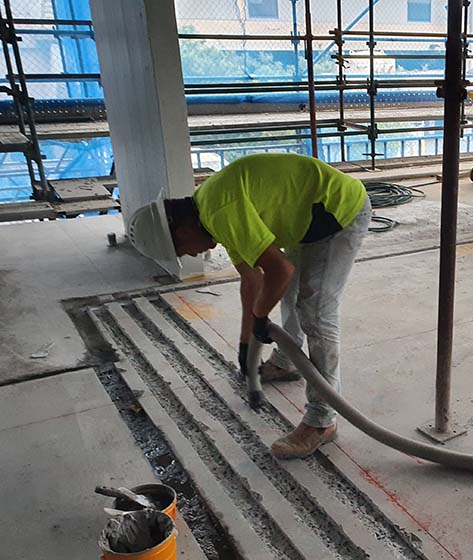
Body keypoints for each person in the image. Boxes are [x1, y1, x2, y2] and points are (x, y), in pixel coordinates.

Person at [143, 152, 370, 459]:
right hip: (308, 220)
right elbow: (252, 281)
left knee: (316, 312)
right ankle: (287, 363)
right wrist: (246, 342)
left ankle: (321, 422)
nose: (189, 255)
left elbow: (280, 271)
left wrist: (261, 316)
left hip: (339, 212)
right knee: (289, 294)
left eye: (182, 250)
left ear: (181, 230)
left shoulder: (220, 210)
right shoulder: (210, 211)